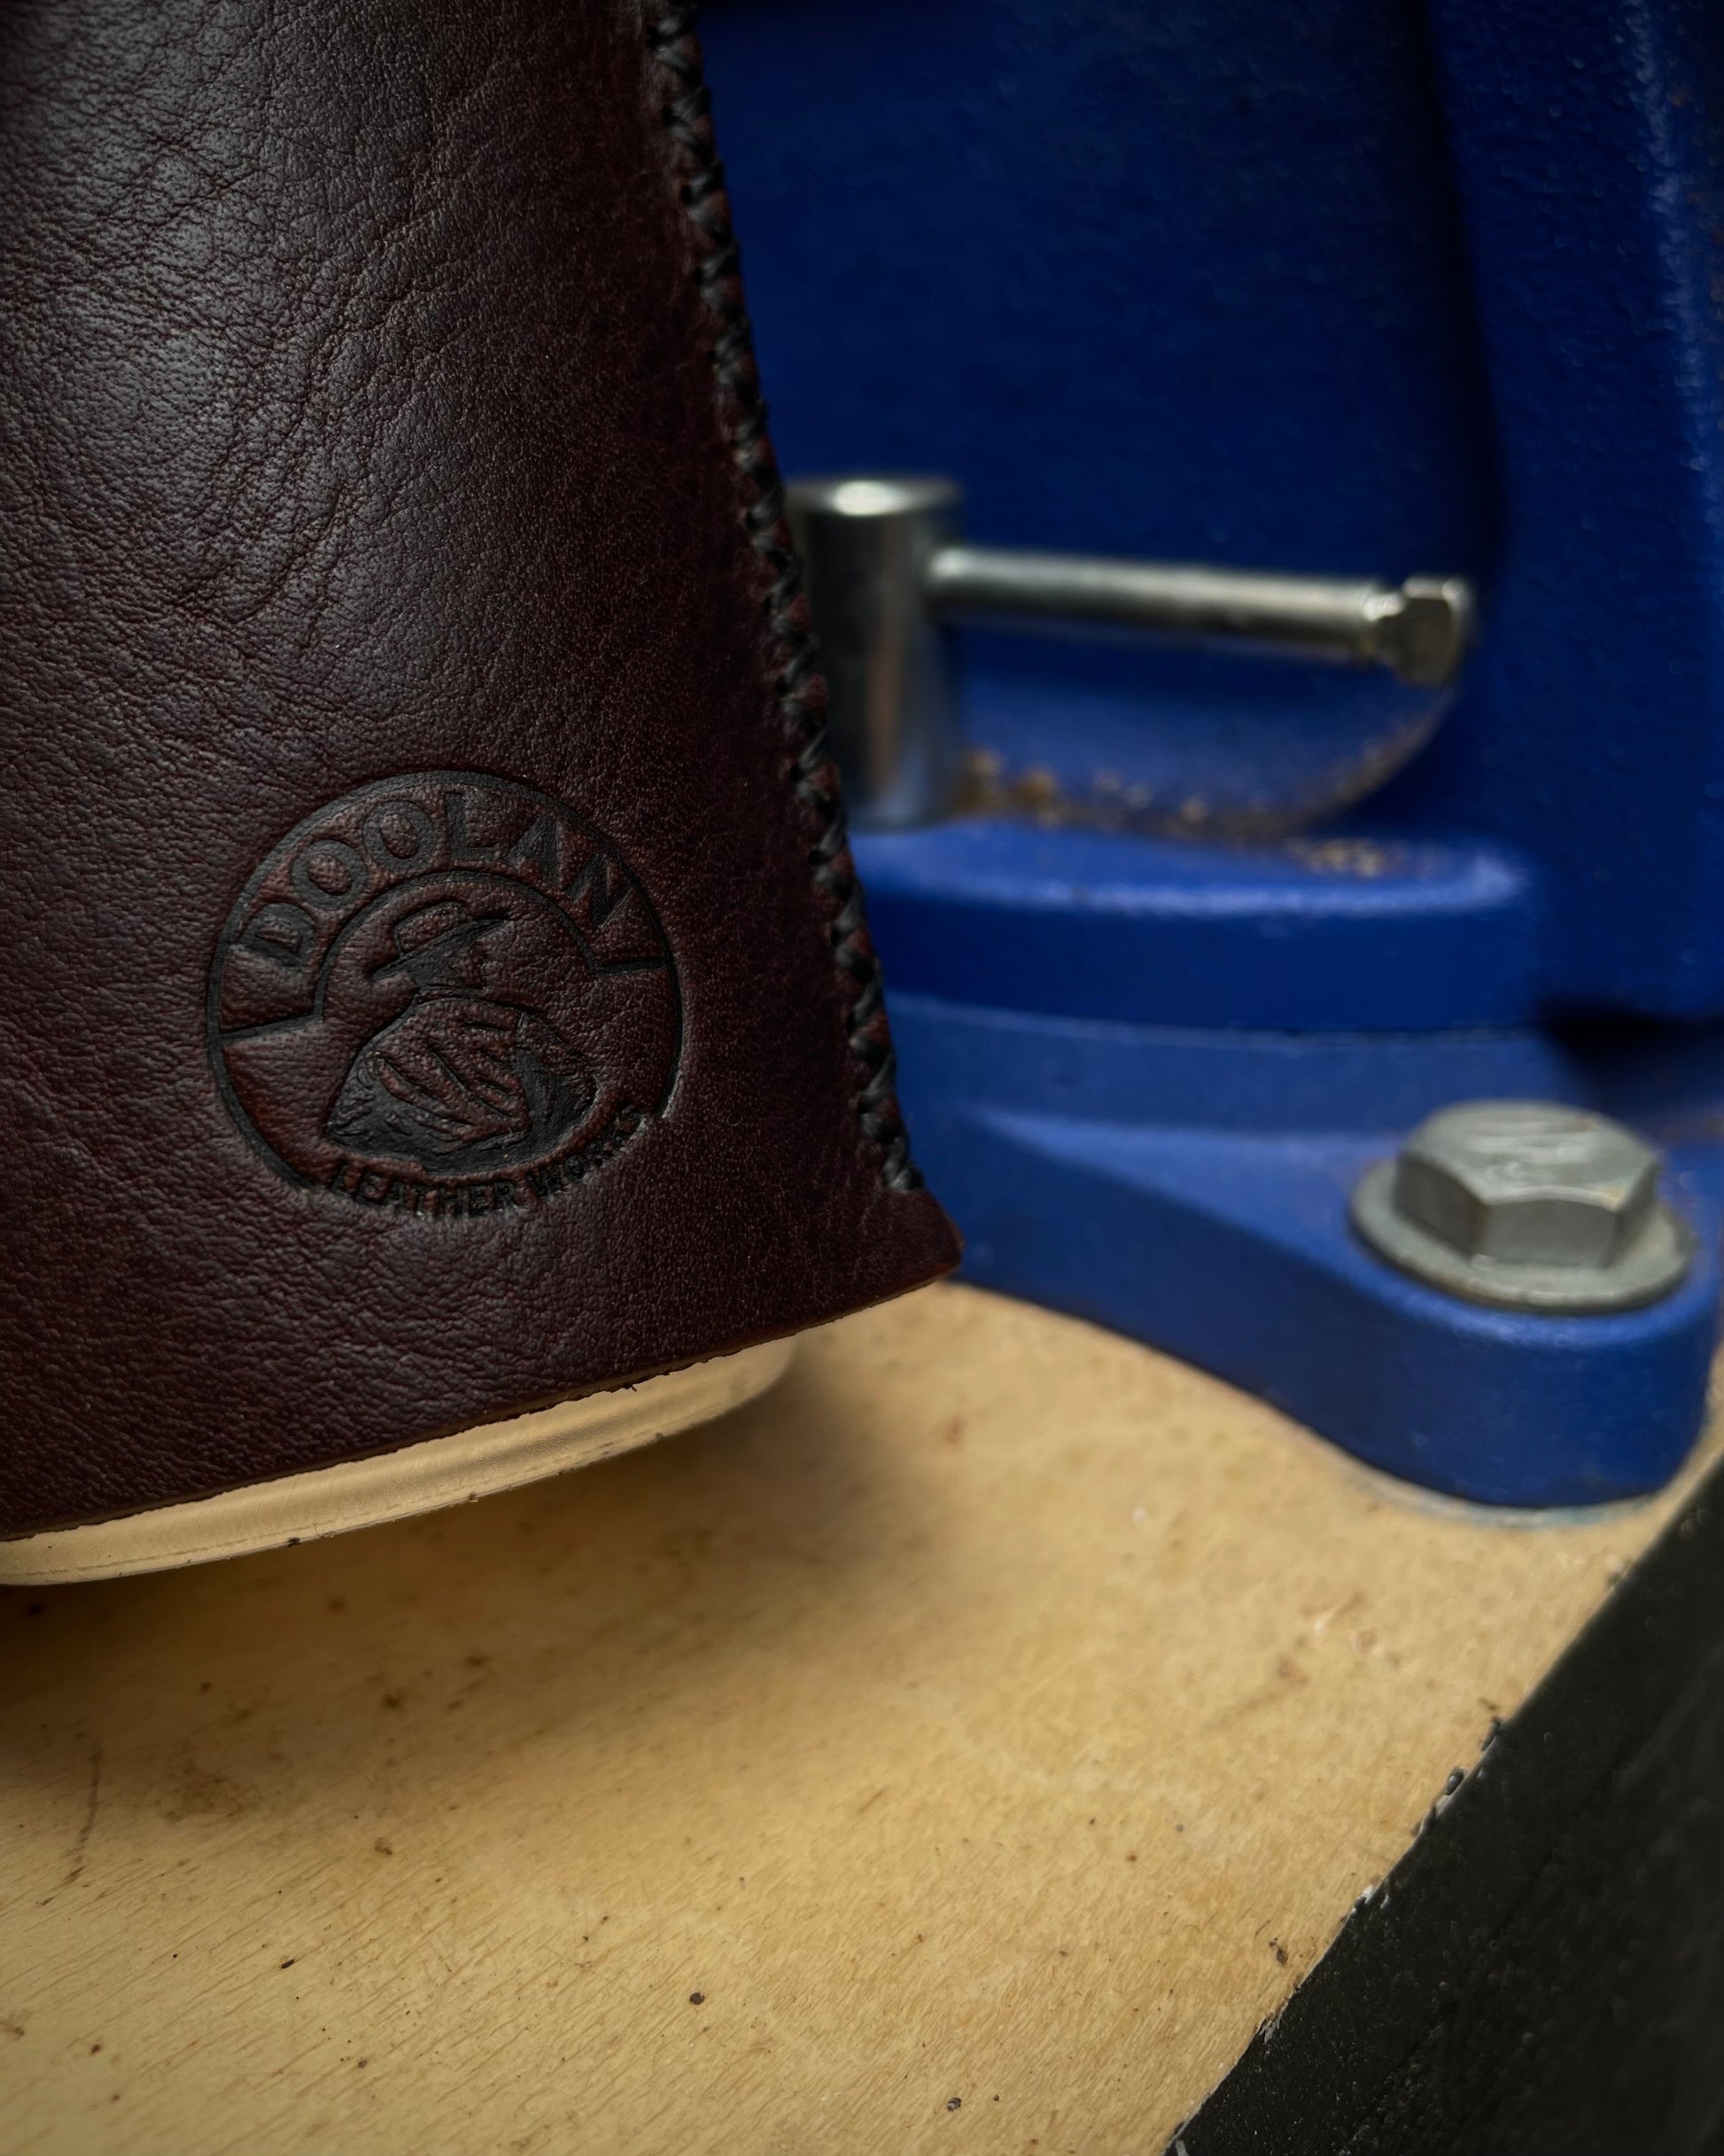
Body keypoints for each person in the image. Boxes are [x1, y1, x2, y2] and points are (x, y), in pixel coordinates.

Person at [327, 898, 594, 1174]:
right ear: (451, 960)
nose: (483, 958)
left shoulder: (379, 1054)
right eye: (472, 951)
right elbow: (580, 1093)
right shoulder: (515, 1026)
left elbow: (347, 1131)